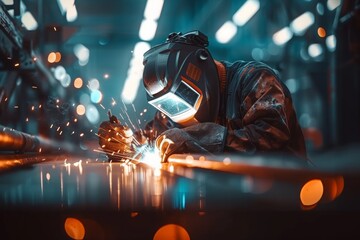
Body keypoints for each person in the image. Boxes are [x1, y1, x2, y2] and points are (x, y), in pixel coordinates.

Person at [98, 30, 307, 163]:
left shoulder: (256, 79)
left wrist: (201, 138)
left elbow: (272, 137)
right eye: (168, 107)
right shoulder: (174, 108)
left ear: (202, 69)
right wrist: (123, 142)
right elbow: (150, 140)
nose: (179, 115)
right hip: (226, 201)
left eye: (183, 98)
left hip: (284, 198)